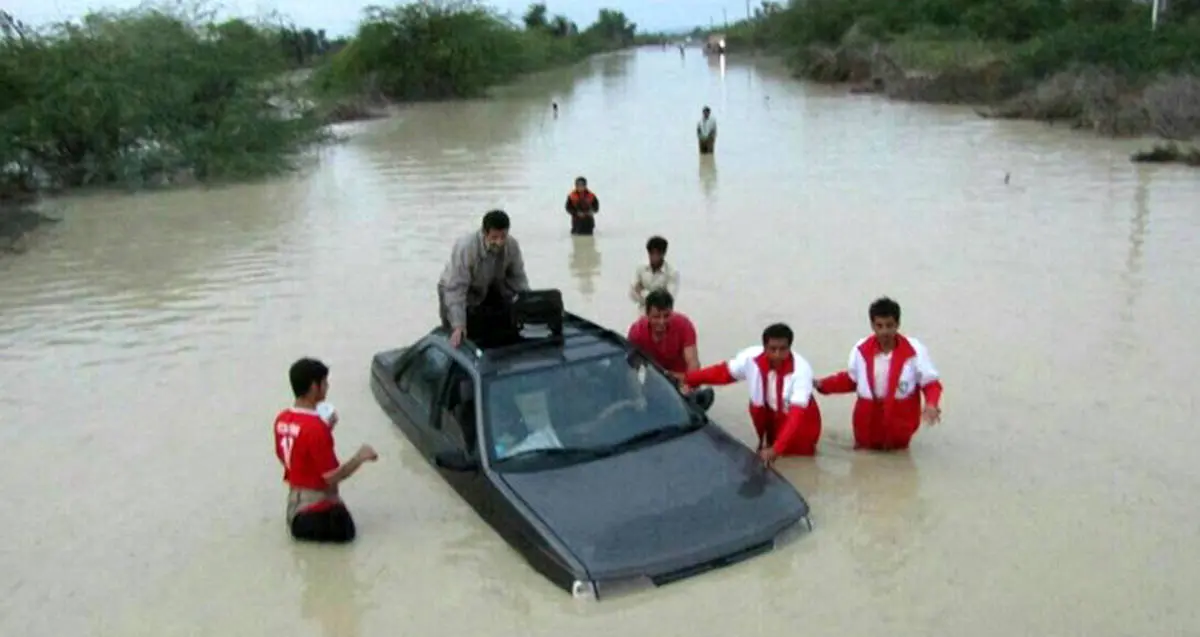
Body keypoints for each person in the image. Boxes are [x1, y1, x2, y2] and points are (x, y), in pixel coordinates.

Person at [674, 323, 822, 465]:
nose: (777, 355)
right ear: (764, 347)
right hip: (770, 417)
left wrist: (776, 449)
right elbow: (722, 373)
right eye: (773, 349)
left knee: (798, 463)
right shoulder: (750, 358)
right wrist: (687, 379)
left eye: (783, 349)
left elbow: (796, 417)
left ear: (790, 348)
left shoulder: (801, 371)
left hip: (800, 425)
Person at [814, 297, 943, 451]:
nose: (885, 331)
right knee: (863, 461)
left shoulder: (915, 350)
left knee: (899, 461)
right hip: (866, 420)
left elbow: (931, 384)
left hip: (900, 420)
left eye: (890, 326)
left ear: (898, 324)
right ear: (872, 325)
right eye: (879, 326)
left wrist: (931, 404)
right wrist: (823, 385)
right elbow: (851, 380)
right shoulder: (860, 349)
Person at [273, 358, 378, 543]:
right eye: (325, 382)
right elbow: (332, 477)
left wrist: (326, 429)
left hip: (294, 510)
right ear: (315, 386)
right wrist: (360, 457)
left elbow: (293, 456)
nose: (327, 386)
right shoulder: (316, 428)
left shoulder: (282, 419)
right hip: (317, 514)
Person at [438, 209, 530, 348]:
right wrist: (458, 325)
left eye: (503, 236)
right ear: (484, 233)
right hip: (454, 289)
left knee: (494, 329)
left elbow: (518, 279)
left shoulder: (512, 245)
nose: (499, 242)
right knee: (457, 336)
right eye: (494, 237)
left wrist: (529, 304)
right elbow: (456, 290)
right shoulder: (466, 248)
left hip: (488, 284)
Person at [626, 289, 714, 410]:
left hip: (681, 379)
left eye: (666, 316)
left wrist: (689, 385)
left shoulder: (684, 325)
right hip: (655, 377)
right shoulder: (637, 332)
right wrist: (636, 395)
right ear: (647, 315)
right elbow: (631, 368)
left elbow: (693, 362)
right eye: (656, 317)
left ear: (672, 312)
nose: (662, 322)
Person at [629, 235, 680, 306]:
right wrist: (656, 296)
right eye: (651, 253)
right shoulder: (641, 269)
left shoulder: (672, 273)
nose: (654, 257)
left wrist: (643, 292)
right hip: (643, 313)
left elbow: (668, 300)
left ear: (663, 254)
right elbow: (633, 295)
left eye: (657, 254)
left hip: (662, 315)